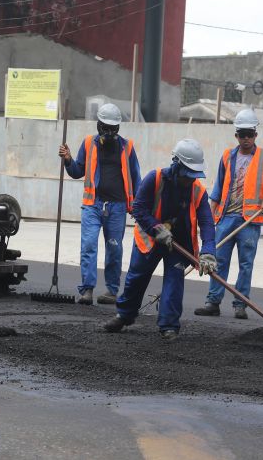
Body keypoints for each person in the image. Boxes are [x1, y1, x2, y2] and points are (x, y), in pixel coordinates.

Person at [103, 139, 217, 340]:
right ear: (176, 164)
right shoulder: (154, 179)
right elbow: (138, 208)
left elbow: (207, 222)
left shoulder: (197, 190)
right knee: (136, 278)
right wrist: (157, 229)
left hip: (179, 244)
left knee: (174, 282)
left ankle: (169, 326)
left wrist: (208, 251)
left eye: (194, 175)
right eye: (188, 174)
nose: (191, 179)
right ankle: (124, 315)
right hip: (150, 238)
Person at [194, 108, 263, 319]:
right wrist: (209, 213)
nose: (246, 139)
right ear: (236, 135)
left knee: (245, 263)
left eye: (249, 134)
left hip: (250, 221)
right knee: (218, 261)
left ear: (255, 135)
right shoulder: (227, 156)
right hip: (226, 219)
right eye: (242, 134)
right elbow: (218, 187)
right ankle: (213, 302)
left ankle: (240, 304)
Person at [58, 103, 141, 305]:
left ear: (118, 128)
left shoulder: (127, 147)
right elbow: (77, 172)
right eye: (106, 127)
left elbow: (136, 178)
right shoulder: (88, 144)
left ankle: (112, 291)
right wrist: (68, 160)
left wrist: (138, 205)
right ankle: (87, 289)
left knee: (114, 248)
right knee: (88, 245)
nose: (110, 132)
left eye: (114, 128)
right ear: (99, 125)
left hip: (117, 207)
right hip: (92, 204)